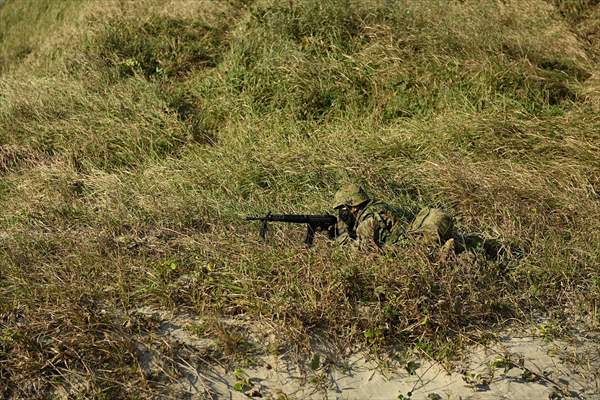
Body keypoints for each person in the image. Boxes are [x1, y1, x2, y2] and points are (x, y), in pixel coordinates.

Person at [332, 183, 506, 258]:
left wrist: (341, 234)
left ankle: (448, 249)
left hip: (408, 249)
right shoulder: (379, 207)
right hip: (414, 237)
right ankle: (490, 246)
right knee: (466, 242)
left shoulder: (366, 223)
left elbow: (360, 254)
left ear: (352, 206)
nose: (341, 214)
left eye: (342, 209)